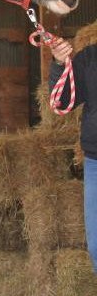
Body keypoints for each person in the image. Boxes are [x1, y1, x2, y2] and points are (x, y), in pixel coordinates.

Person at [49, 37, 97, 271]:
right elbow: (62, 100)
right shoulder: (89, 57)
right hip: (95, 162)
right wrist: (59, 64)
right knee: (96, 246)